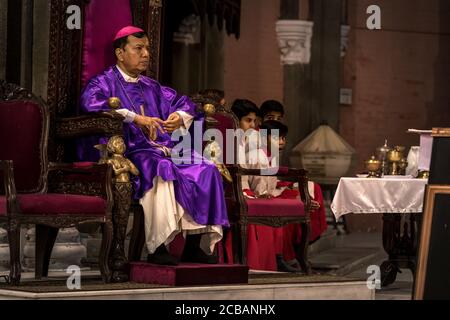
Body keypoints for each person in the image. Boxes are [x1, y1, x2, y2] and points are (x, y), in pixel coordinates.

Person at [79, 26, 229, 265]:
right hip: (131, 150)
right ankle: (158, 245)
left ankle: (193, 245)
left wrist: (178, 117)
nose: (146, 53)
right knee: (161, 168)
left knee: (206, 168)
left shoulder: (152, 87)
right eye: (139, 48)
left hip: (165, 148)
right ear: (120, 53)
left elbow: (185, 104)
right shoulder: (103, 83)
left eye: (147, 48)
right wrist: (135, 117)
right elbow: (91, 104)